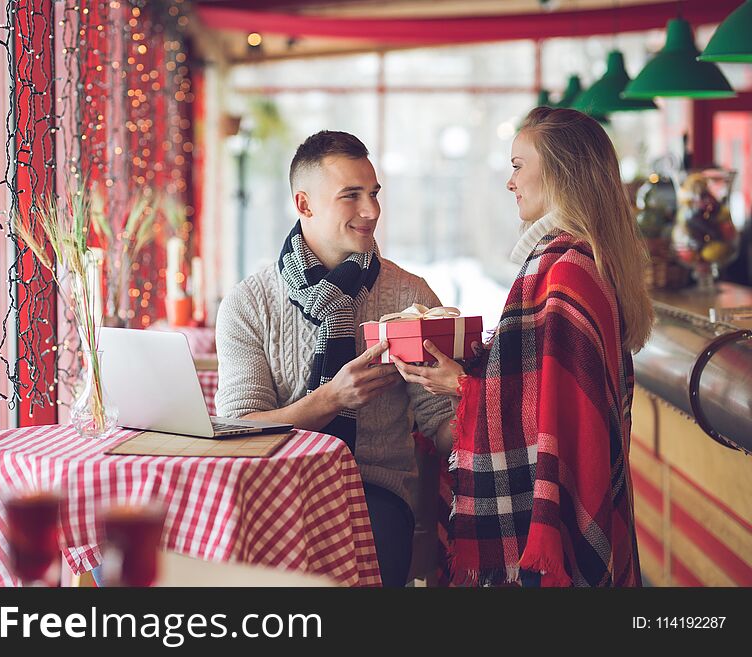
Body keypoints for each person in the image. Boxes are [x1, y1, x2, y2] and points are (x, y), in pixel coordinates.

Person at [391, 107, 653, 587]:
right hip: (573, 497)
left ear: (559, 172)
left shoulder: (564, 268)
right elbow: (543, 389)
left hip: (549, 517)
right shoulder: (575, 257)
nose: (510, 182)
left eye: (517, 165)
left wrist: (461, 384)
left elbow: (547, 414)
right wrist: (476, 362)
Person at [215, 130, 455, 587]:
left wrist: (479, 397)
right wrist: (330, 399)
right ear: (304, 205)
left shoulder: (411, 296)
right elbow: (238, 429)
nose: (372, 211)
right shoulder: (249, 303)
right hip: (271, 486)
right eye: (352, 196)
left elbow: (441, 424)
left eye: (374, 194)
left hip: (375, 492)